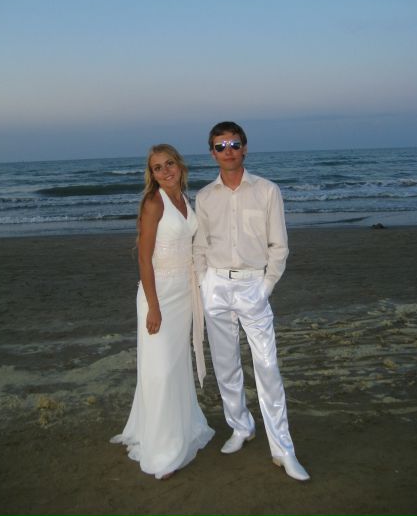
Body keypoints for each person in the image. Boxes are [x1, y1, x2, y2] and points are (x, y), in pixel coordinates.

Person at [193, 121, 310, 481]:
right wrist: (204, 283)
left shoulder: (267, 190)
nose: (227, 151)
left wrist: (265, 286)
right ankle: (240, 426)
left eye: (233, 144)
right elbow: (200, 246)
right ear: (212, 153)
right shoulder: (205, 196)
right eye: (220, 146)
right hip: (216, 286)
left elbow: (279, 245)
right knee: (225, 364)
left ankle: (283, 449)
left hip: (252, 287)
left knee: (267, 366)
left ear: (245, 148)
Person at [111, 144, 214, 480]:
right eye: (157, 167)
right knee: (160, 369)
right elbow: (144, 259)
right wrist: (153, 307)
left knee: (177, 364)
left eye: (169, 163)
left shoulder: (185, 198)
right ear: (152, 174)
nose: (165, 171)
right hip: (159, 294)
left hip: (184, 291)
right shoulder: (153, 203)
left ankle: (181, 428)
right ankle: (162, 448)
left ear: (179, 165)